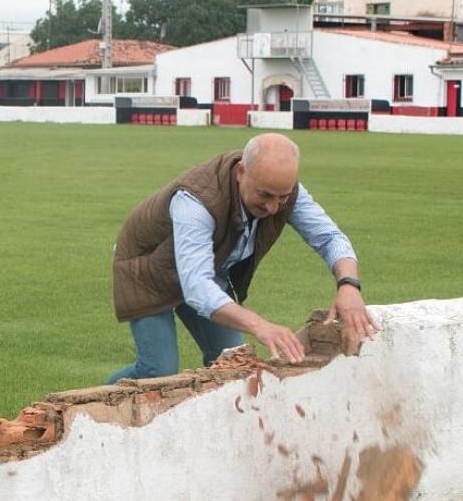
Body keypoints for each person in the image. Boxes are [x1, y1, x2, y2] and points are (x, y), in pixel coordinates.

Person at [107, 133, 376, 382]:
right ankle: (88, 412)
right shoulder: (196, 202)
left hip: (208, 265)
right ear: (241, 172)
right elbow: (197, 289)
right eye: (265, 195)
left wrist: (349, 285)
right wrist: (260, 326)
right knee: (158, 371)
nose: (273, 208)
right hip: (147, 270)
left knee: (234, 365)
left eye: (281, 198)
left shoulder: (283, 189)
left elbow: (330, 237)